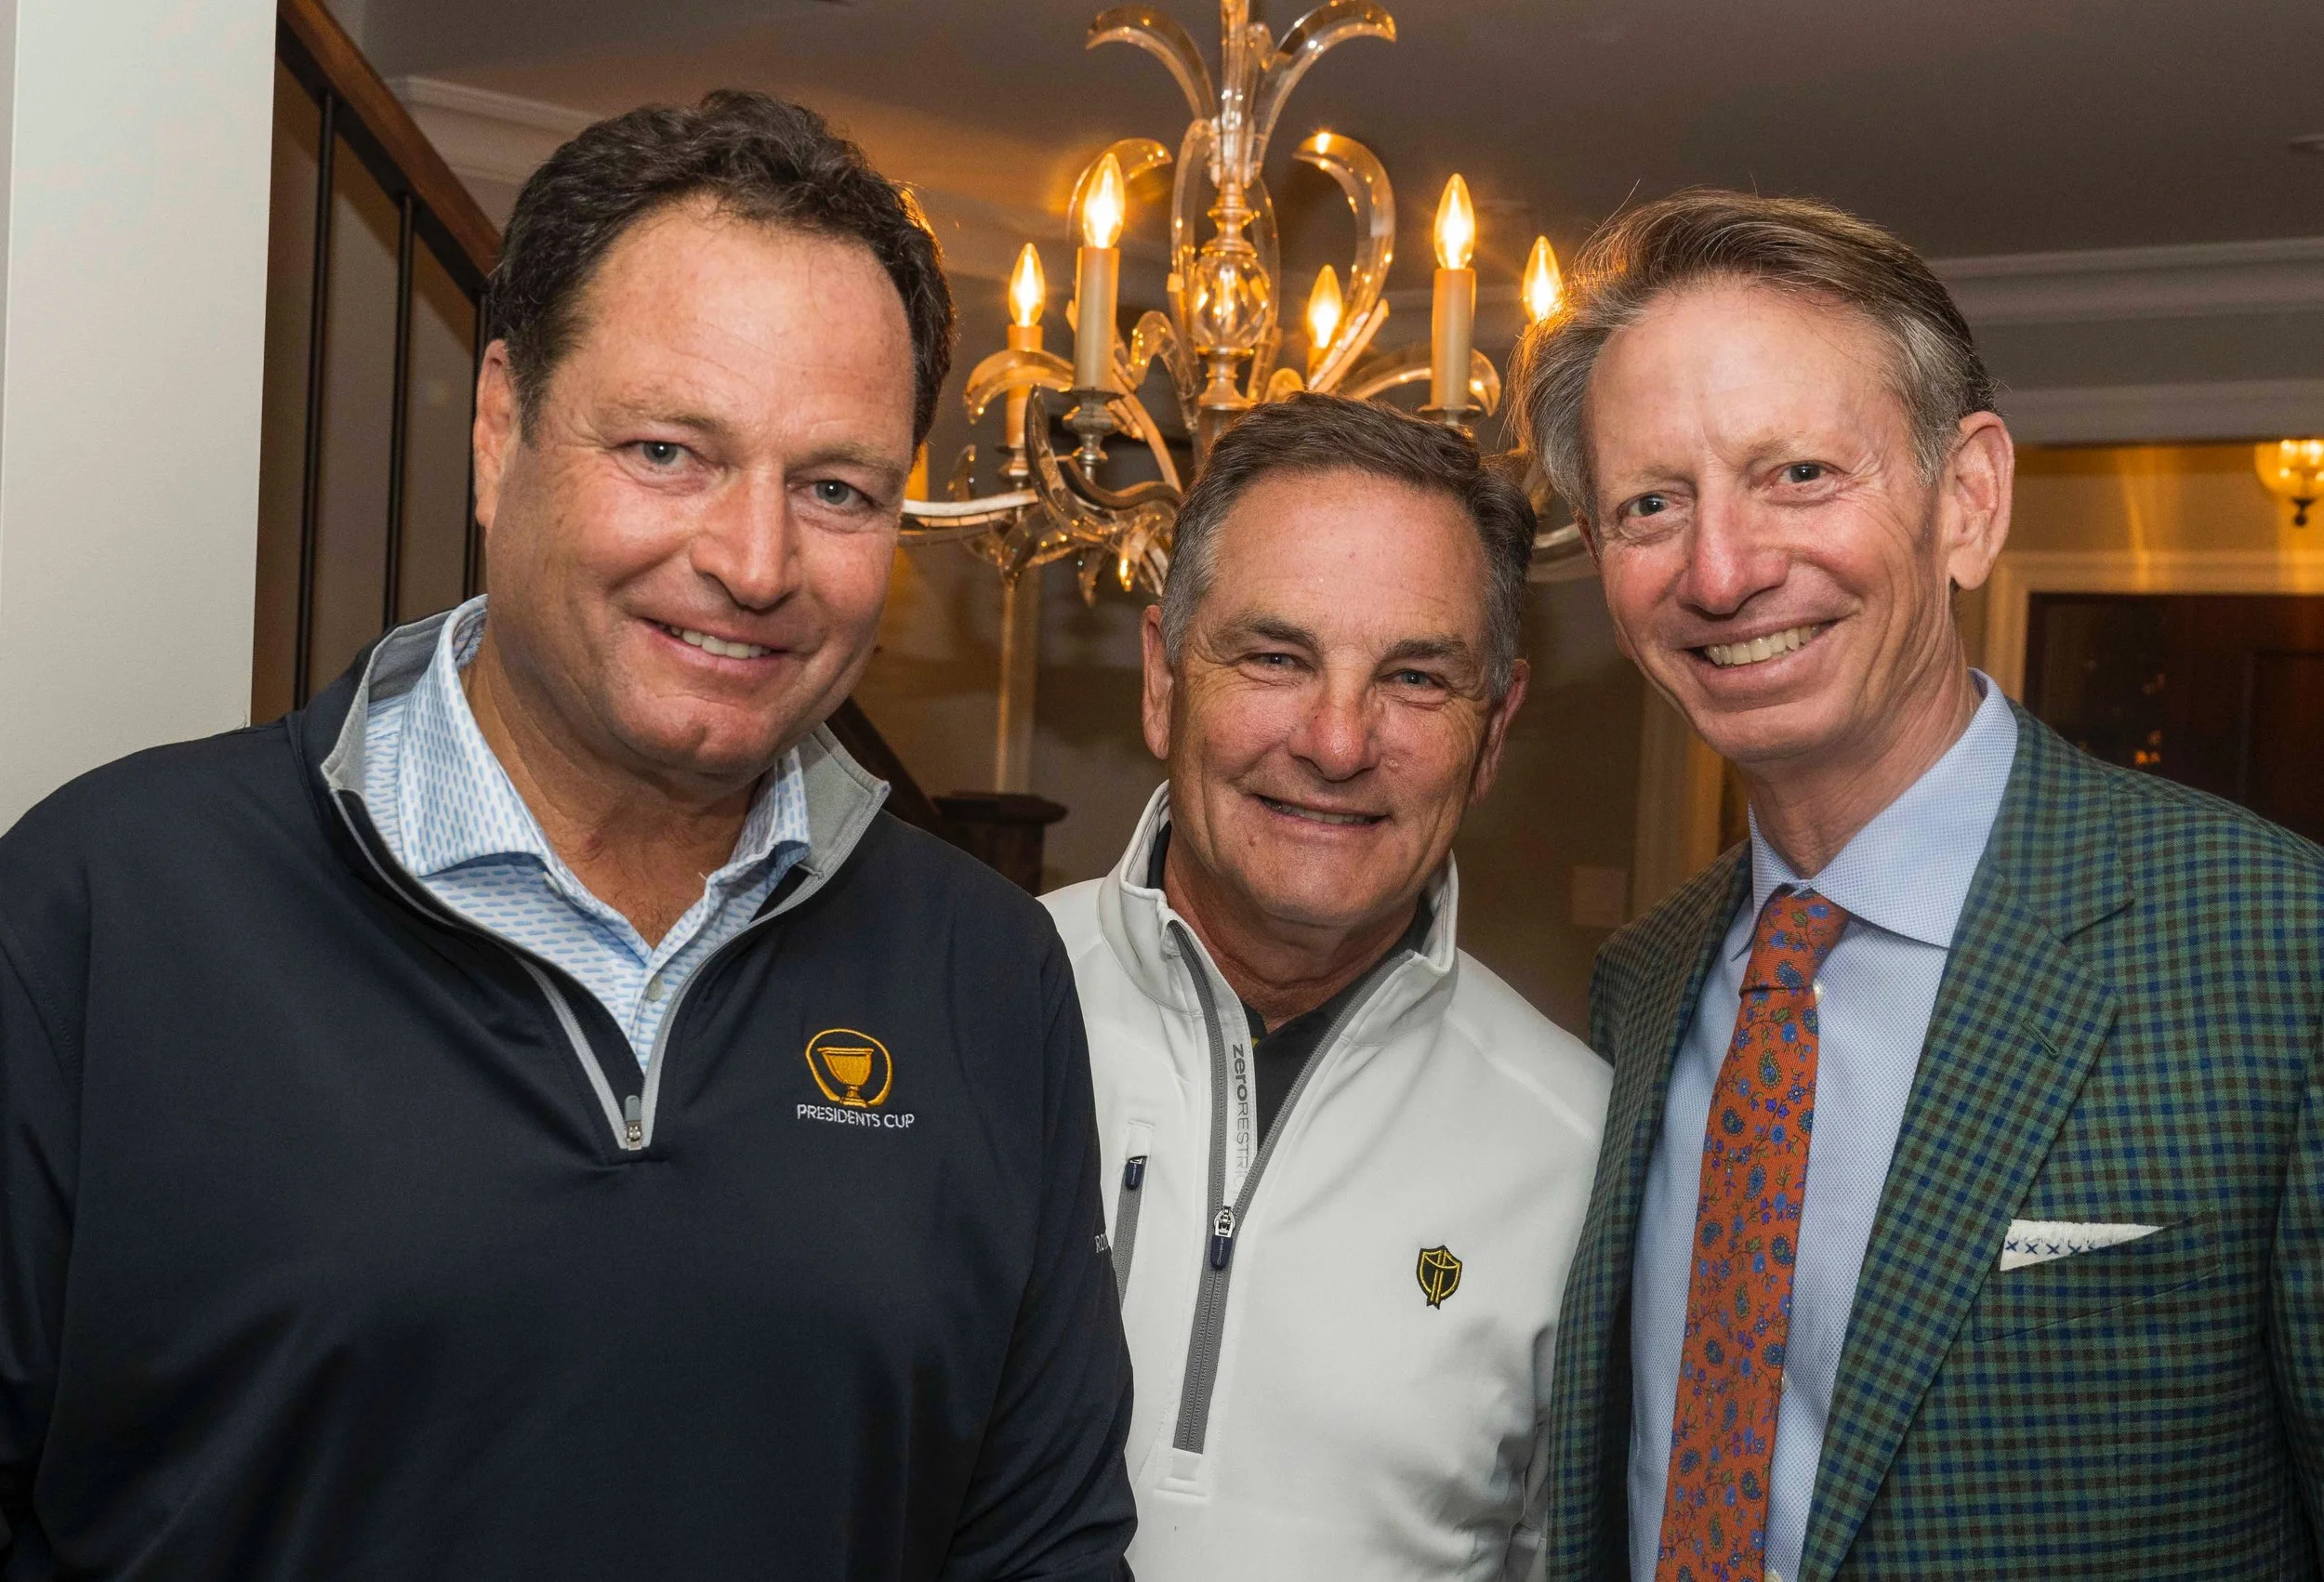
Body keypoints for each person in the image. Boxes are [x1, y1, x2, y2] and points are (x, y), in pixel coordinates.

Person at [0, 92, 1133, 1580]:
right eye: (670, 451)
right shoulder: (108, 905)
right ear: (497, 429)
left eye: (837, 488)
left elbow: (1038, 1549)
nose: (752, 559)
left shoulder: (986, 972)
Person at [1511, 189, 2324, 1581]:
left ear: (1968, 499)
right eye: (1653, 503)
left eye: (1800, 476)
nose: (1723, 569)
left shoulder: (2277, 951)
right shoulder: (1642, 986)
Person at [1042, 393, 1611, 1580]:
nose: (1338, 741)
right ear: (1162, 679)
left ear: (1493, 732)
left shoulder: (1585, 1144)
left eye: (1413, 677)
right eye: (1273, 656)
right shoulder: (969, 1015)